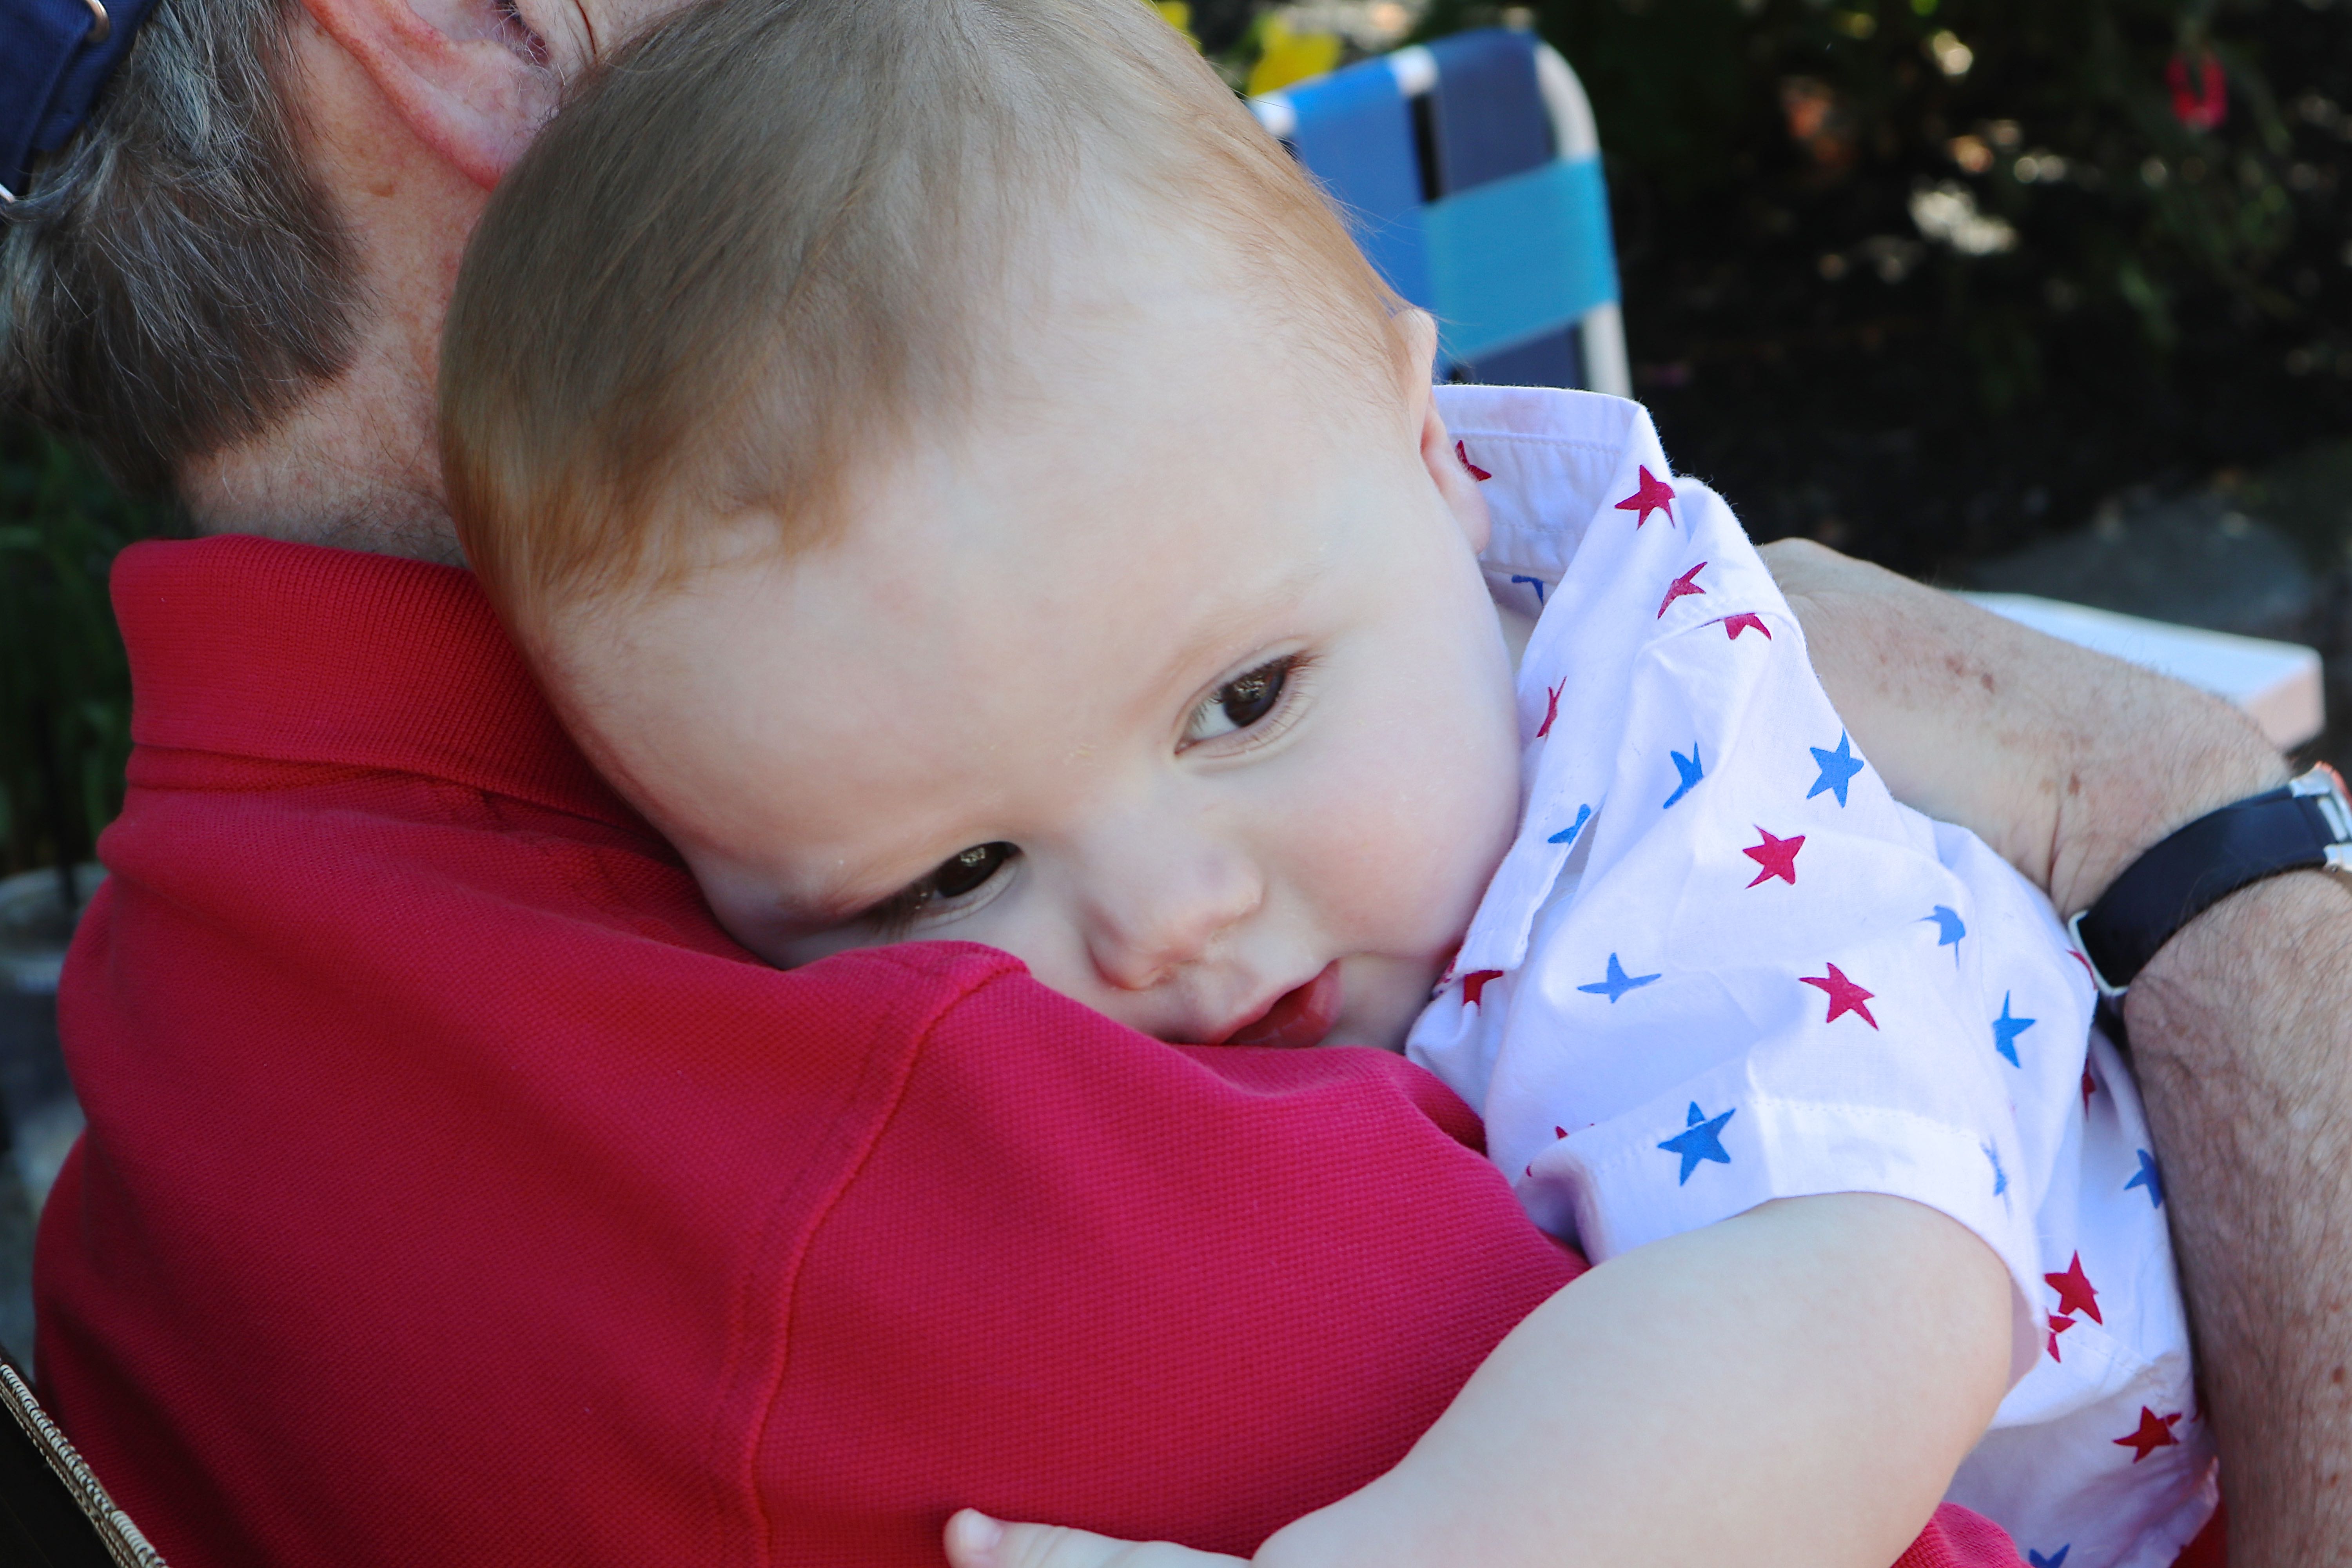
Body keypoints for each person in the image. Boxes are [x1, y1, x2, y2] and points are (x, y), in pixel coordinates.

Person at [0, 0, 2340, 1563]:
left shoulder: (197, 1025)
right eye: (958, 870)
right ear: (487, 27)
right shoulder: (859, 1166)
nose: (1157, 931)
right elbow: (1829, 1345)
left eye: (1242, 699)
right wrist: (2176, 833)